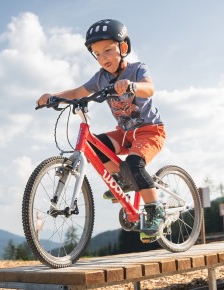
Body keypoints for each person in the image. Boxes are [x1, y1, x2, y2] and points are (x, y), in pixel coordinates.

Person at [36, 19, 166, 238]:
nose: (103, 57)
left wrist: (132, 86)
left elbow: (149, 89)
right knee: (94, 145)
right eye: (97, 54)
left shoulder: (136, 70)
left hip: (149, 130)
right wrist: (53, 96)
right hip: (124, 133)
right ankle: (121, 179)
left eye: (108, 50)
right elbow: (78, 92)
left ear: (123, 48)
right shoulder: (101, 78)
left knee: (135, 163)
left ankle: (155, 210)